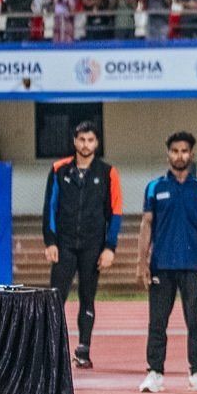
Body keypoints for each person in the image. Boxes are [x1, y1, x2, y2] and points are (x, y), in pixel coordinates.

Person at [136, 132, 197, 393]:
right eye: (175, 150)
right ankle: (155, 373)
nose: (179, 155)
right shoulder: (155, 187)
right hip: (161, 265)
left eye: (184, 151)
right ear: (168, 154)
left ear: (192, 154)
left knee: (196, 323)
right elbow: (146, 225)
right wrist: (142, 263)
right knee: (157, 323)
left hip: (194, 265)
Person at [42, 121, 123, 370]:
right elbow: (50, 208)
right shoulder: (59, 170)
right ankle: (52, 351)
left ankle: (83, 350)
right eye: (81, 140)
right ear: (74, 141)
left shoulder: (108, 172)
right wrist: (50, 241)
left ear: (97, 143)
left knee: (87, 299)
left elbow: (116, 213)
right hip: (64, 245)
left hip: (93, 246)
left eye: (90, 140)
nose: (85, 145)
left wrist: (110, 247)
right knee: (56, 299)